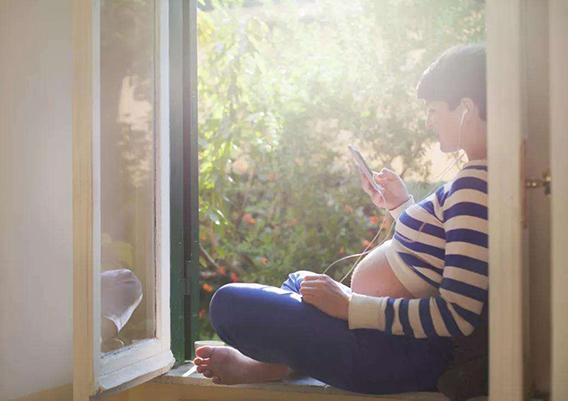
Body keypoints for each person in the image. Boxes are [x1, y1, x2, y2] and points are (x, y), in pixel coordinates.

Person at [194, 44, 488, 394]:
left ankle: (274, 365)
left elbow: (457, 314)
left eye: (434, 110)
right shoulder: (480, 180)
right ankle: (275, 365)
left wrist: (350, 307)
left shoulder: (475, 185)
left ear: (466, 109)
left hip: (398, 354)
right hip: (391, 343)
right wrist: (399, 206)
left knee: (229, 304)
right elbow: (435, 257)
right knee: (301, 281)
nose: (429, 121)